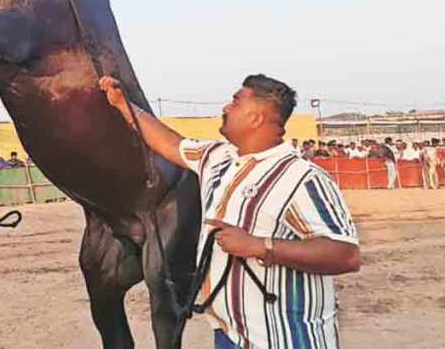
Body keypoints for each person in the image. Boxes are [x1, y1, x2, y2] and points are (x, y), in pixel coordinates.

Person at [100, 74, 360, 349]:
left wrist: (261, 246)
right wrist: (123, 105)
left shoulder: (302, 178)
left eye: (235, 102)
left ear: (256, 118)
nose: (225, 108)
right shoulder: (218, 159)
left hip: (287, 340)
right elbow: (169, 144)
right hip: (229, 335)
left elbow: (345, 254)